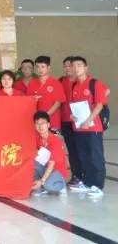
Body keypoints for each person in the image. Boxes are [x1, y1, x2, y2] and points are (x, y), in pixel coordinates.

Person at [68, 56, 108, 198]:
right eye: (74, 66)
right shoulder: (74, 86)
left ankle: (98, 186)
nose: (76, 68)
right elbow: (75, 106)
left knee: (95, 157)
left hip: (93, 128)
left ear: (86, 67)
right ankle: (87, 182)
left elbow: (99, 104)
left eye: (79, 65)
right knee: (83, 157)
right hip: (79, 128)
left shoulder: (94, 83)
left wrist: (88, 120)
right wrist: (72, 116)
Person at [59, 56, 82, 186]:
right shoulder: (61, 81)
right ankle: (76, 175)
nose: (67, 68)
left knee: (82, 149)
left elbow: (105, 91)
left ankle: (86, 175)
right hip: (66, 121)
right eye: (65, 66)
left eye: (70, 65)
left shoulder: (82, 80)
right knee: (72, 150)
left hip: (80, 121)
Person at [33, 111, 67, 195]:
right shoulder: (38, 138)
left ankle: (60, 184)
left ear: (48, 125)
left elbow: (52, 164)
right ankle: (40, 184)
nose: (40, 126)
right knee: (32, 163)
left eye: (43, 123)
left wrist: (42, 181)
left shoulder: (55, 141)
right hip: (45, 168)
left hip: (57, 171)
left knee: (48, 186)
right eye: (37, 123)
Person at [27, 56, 66, 131]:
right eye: (37, 67)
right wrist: (33, 100)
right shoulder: (32, 83)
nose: (40, 69)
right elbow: (28, 101)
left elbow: (58, 103)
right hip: (37, 123)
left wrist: (46, 116)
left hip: (53, 122)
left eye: (43, 67)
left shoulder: (56, 83)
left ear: (48, 68)